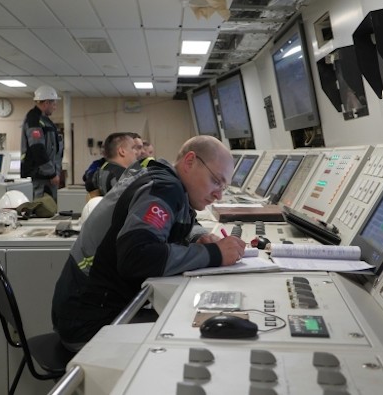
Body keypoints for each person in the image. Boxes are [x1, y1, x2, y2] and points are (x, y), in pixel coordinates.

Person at [51, 135, 245, 348]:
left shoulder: (162, 178)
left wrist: (199, 236)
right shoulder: (165, 187)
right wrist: (214, 254)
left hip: (81, 308)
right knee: (191, 338)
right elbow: (138, 256)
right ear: (190, 161)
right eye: (216, 181)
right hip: (90, 322)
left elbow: (181, 219)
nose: (218, 194)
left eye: (223, 187)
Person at [21, 85, 64, 201]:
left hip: (47, 176)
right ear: (46, 103)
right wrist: (51, 173)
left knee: (50, 208)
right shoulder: (34, 120)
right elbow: (37, 148)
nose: (55, 108)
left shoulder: (44, 120)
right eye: (54, 104)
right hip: (42, 177)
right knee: (43, 209)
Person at [85, 132, 139, 197]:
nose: (136, 152)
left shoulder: (98, 174)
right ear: (122, 151)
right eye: (133, 148)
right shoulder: (122, 177)